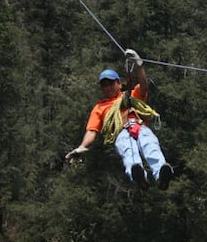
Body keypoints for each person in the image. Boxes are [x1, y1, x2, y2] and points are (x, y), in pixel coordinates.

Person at [65, 48, 174, 191]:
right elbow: (92, 131)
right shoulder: (100, 107)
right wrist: (82, 147)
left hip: (140, 127)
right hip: (121, 133)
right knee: (129, 152)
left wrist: (139, 65)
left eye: (111, 83)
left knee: (150, 146)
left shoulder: (130, 95)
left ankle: (162, 174)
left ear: (119, 83)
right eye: (104, 85)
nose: (108, 87)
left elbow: (144, 86)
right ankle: (138, 176)